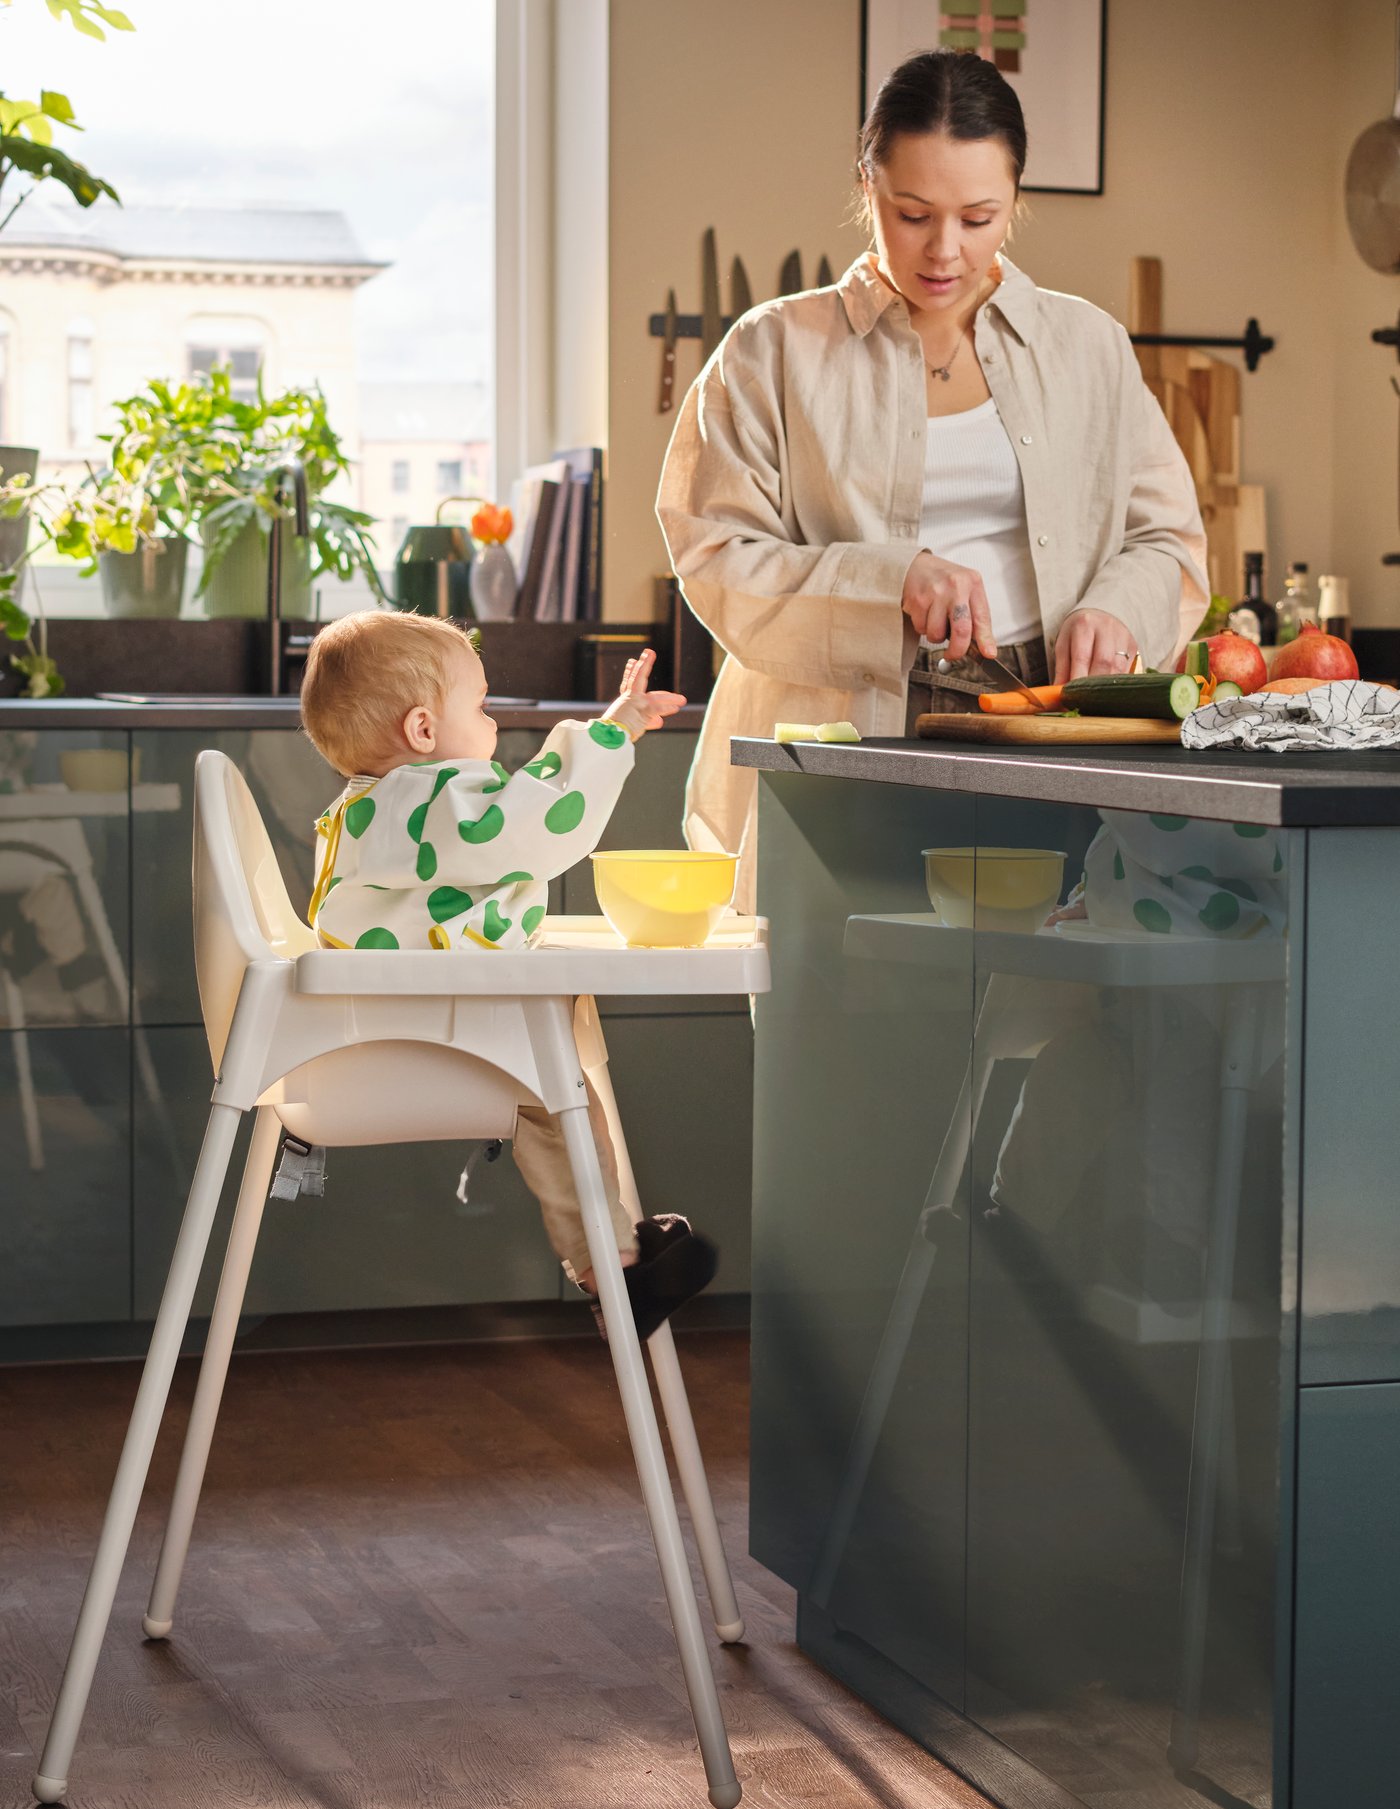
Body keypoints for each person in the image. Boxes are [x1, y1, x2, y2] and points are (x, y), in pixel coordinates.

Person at [657, 48, 1208, 912]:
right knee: (848, 1008)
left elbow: (1166, 539)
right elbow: (715, 553)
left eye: (979, 217)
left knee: (1052, 1005)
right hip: (850, 731)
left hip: (1049, 727)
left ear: (1017, 199)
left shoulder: (1089, 347)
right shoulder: (772, 352)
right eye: (912, 214)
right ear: (866, 185)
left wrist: (1116, 609)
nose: (945, 250)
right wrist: (892, 579)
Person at [298, 608, 716, 1337]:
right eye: (482, 705)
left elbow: (508, 820)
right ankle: (612, 1269)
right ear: (424, 732)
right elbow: (536, 824)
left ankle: (612, 1259)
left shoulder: (373, 807)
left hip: (385, 1025)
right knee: (560, 1095)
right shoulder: (423, 800)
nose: (492, 722)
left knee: (564, 1085)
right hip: (421, 1038)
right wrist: (610, 735)